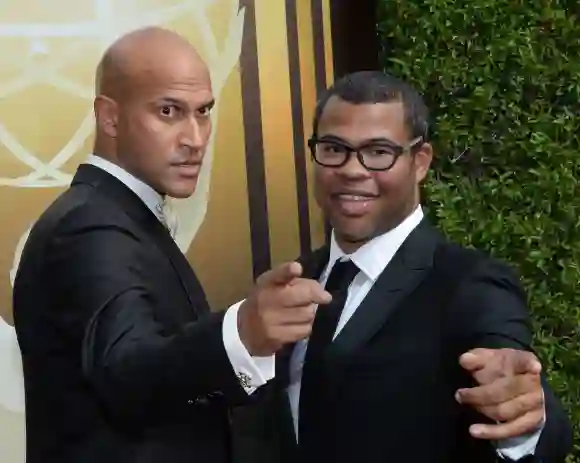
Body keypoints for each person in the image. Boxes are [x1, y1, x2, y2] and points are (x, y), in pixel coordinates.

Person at [12, 27, 330, 463]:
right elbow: (128, 374)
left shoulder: (119, 216)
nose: (196, 138)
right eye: (168, 111)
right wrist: (242, 333)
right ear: (109, 117)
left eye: (203, 112)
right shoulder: (90, 226)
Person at [233, 71, 572, 463]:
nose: (352, 169)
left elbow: (517, 381)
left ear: (421, 161)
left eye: (378, 152)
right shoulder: (296, 281)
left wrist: (530, 416)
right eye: (333, 148)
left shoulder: (468, 283)